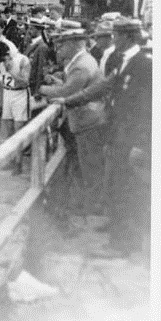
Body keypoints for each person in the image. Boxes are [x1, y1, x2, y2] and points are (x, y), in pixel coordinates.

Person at [53, 18, 151, 259]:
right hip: (117, 131)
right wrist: (68, 101)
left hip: (133, 135)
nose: (110, 39)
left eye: (115, 35)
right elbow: (104, 87)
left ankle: (125, 243)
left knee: (128, 186)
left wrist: (142, 142)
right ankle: (117, 230)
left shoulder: (145, 64)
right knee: (115, 182)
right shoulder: (120, 60)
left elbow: (149, 108)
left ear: (127, 36)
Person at [39, 29, 105, 213]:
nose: (59, 47)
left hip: (87, 120)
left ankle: (91, 207)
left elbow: (66, 93)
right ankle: (87, 203)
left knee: (89, 165)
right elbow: (72, 88)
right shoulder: (81, 61)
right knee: (84, 163)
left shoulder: (81, 65)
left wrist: (42, 88)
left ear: (75, 44)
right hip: (85, 119)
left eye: (63, 43)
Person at [0, 40, 31, 171]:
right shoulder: (2, 63)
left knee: (18, 130)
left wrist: (11, 72)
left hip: (20, 95)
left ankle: (19, 163)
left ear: (8, 54)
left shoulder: (23, 60)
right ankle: (11, 160)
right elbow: (2, 82)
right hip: (7, 94)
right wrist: (1, 100)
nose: (1, 62)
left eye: (2, 59)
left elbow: (25, 82)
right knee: (7, 131)